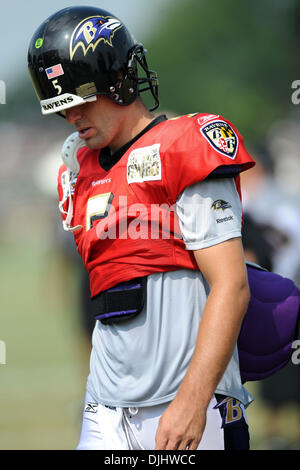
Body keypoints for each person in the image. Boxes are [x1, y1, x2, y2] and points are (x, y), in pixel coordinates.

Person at [27, 6, 256, 450]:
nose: (71, 117)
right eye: (61, 108)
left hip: (189, 405)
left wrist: (192, 401)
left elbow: (232, 285)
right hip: (105, 406)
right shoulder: (75, 173)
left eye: (79, 99)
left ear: (117, 79)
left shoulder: (185, 144)